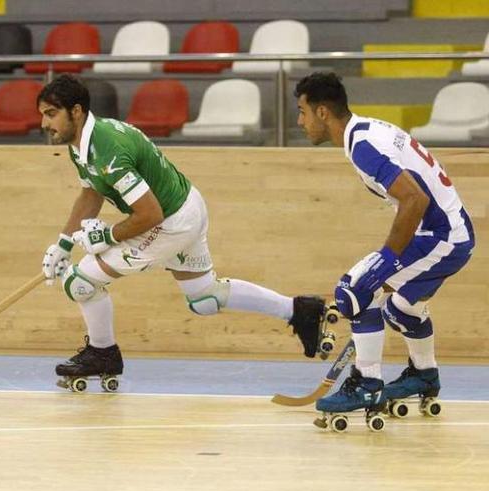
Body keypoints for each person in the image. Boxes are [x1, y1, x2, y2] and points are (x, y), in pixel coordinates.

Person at [36, 74, 328, 386]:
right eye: (42, 115)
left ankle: (102, 352)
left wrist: (106, 237)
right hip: (186, 207)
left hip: (169, 222)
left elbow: (149, 214)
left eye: (51, 114)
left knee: (80, 282)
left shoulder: (108, 149)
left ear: (76, 111)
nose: (44, 123)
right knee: (205, 298)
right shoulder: (83, 144)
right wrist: (63, 245)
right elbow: (91, 193)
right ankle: (299, 310)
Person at [294, 72, 475, 418]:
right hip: (449, 231)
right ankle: (424, 374)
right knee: (400, 309)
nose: (300, 121)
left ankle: (367, 384)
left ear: (322, 112)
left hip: (442, 236)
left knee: (355, 289)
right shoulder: (364, 132)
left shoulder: (363, 147)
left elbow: (414, 201)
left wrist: (387, 259)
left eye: (302, 112)